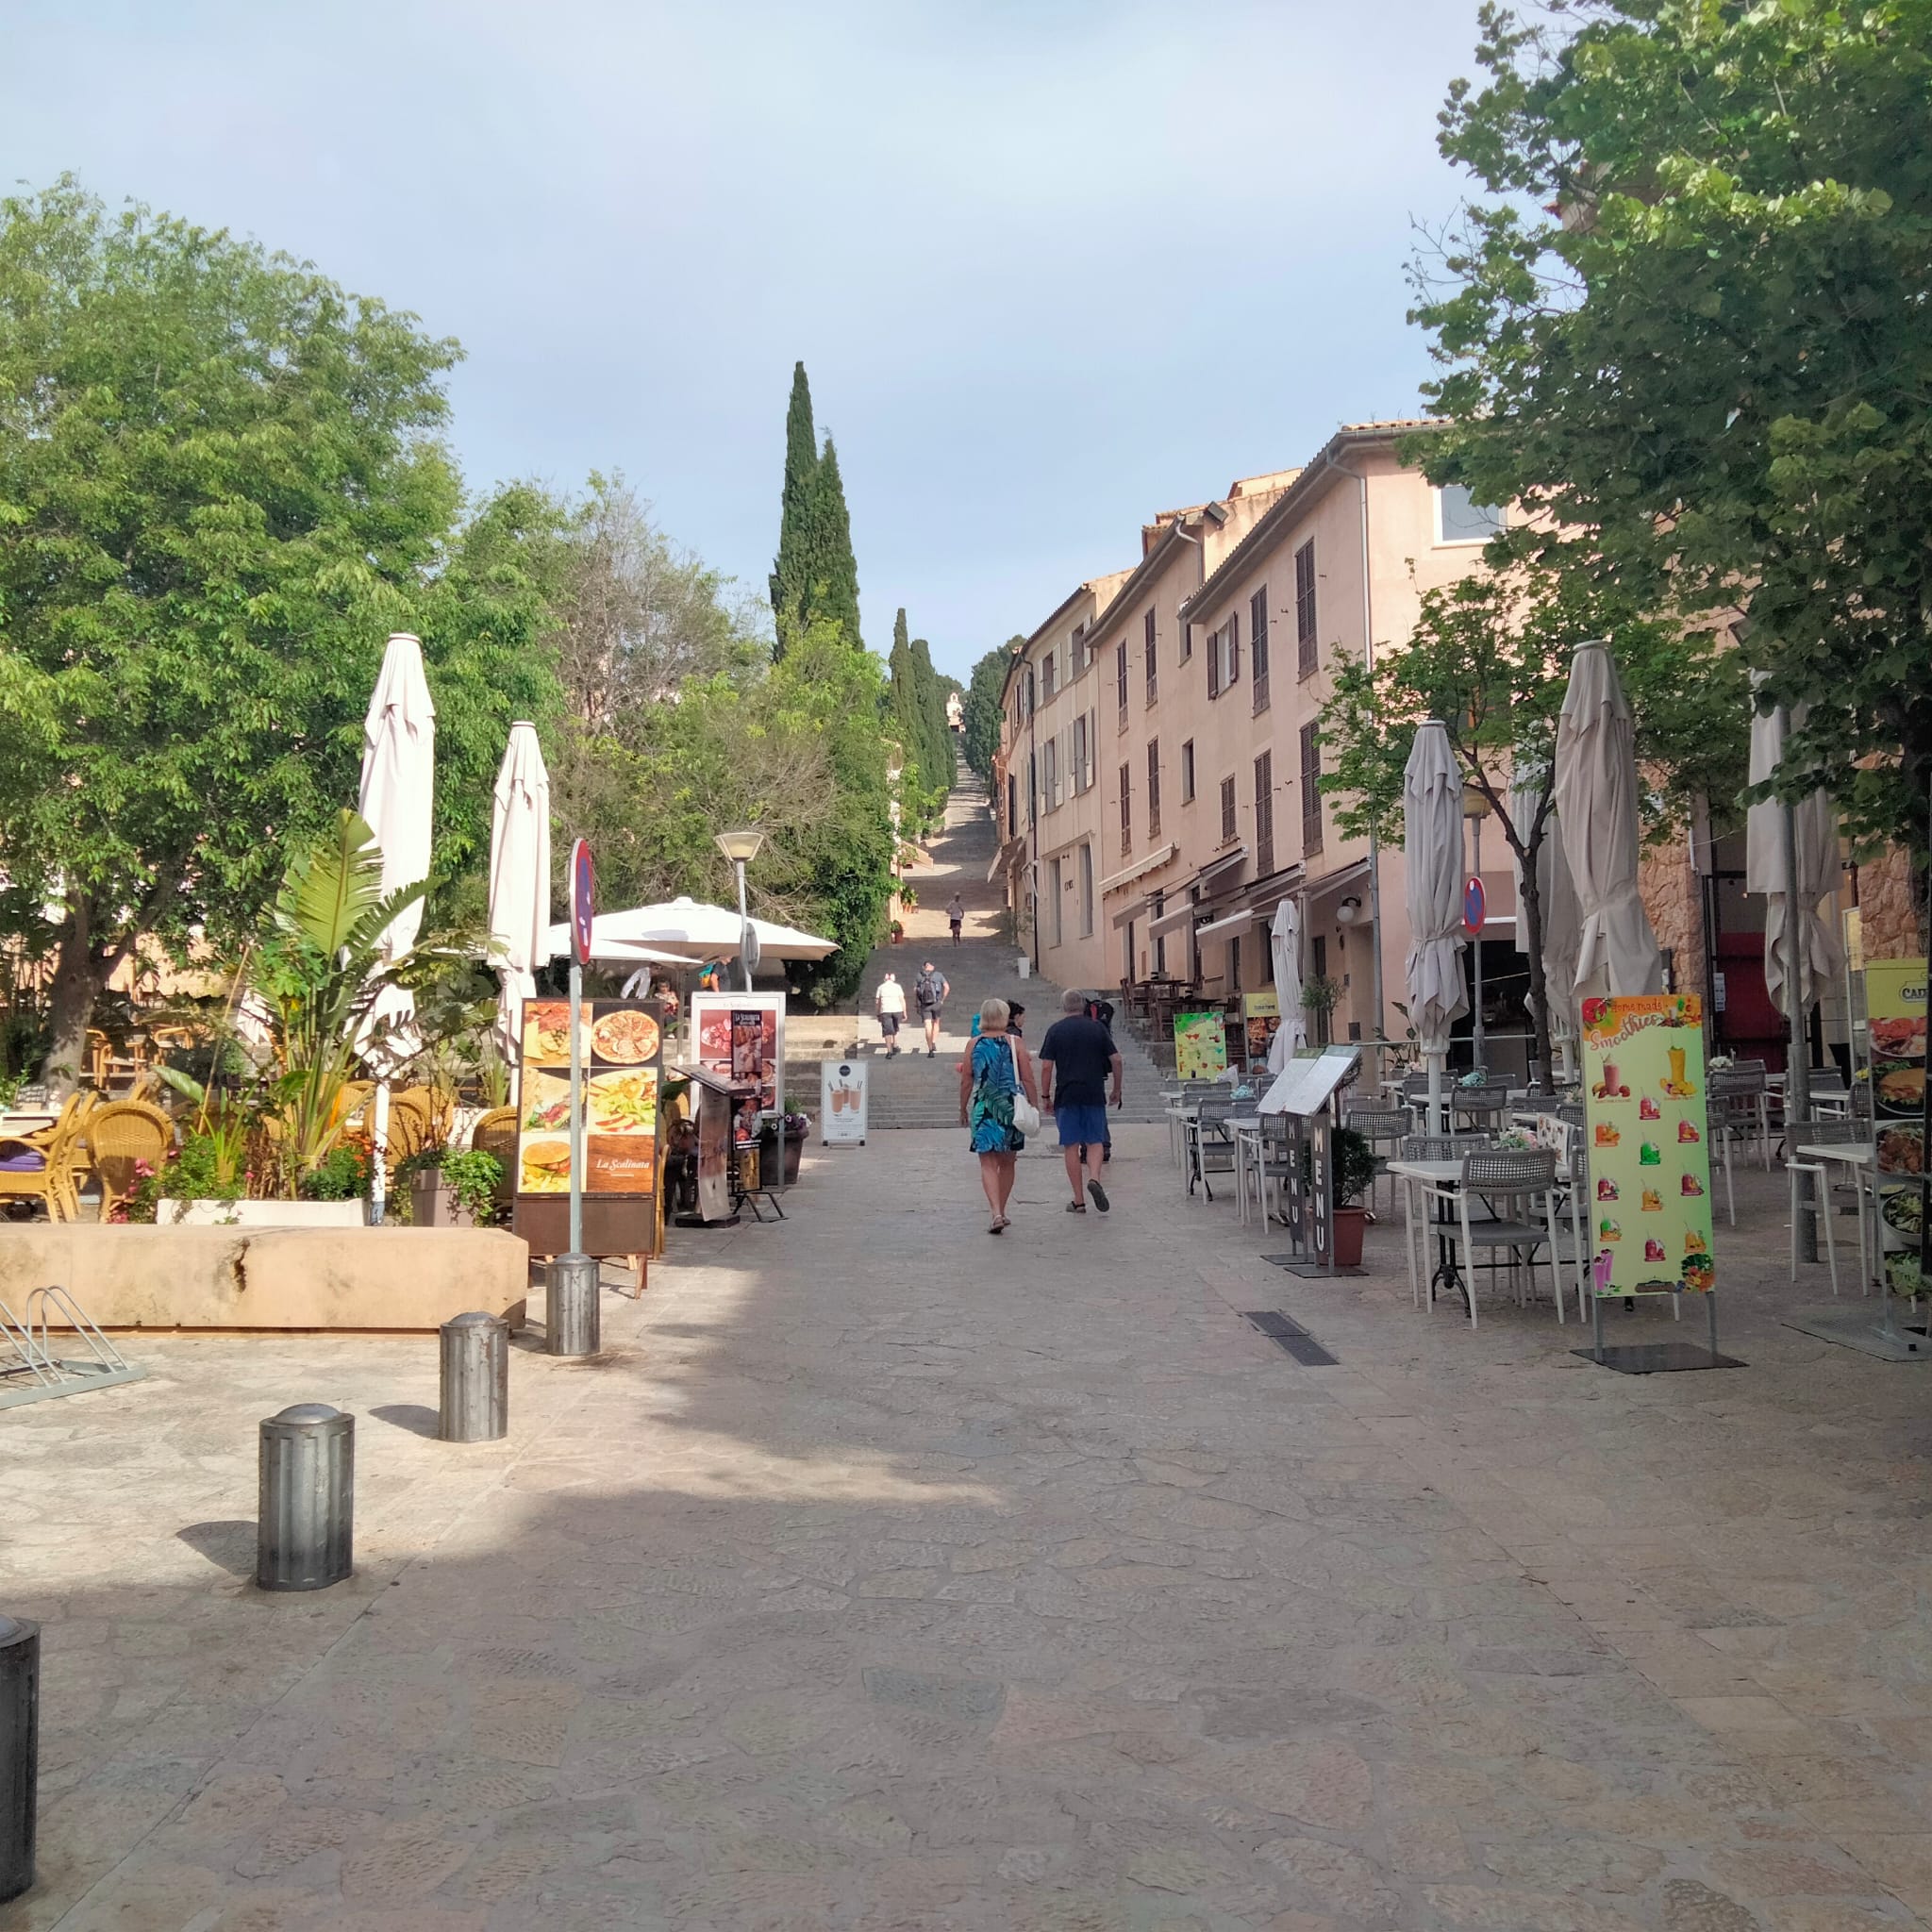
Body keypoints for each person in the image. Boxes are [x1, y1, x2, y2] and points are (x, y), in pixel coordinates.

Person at [1038, 988, 1124, 1214]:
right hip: (1094, 1092)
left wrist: (1045, 1096)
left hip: (1067, 1095)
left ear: (1063, 1007)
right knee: (1095, 1142)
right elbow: (1116, 1059)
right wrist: (1117, 1089)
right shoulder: (1097, 1028)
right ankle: (1094, 1178)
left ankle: (1078, 1200)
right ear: (1084, 1006)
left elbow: (1046, 1066)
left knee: (1071, 1146)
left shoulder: (1055, 1030)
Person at [959, 996, 1039, 1235]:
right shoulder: (1016, 1043)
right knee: (1008, 1162)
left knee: (987, 1162)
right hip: (1010, 1107)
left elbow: (967, 1080)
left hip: (984, 1107)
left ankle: (994, 1212)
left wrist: (962, 1108)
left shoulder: (973, 1044)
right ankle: (1002, 1212)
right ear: (1005, 1017)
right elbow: (1027, 1078)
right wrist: (1035, 1104)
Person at [914, 959, 950, 1057]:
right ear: (930, 966)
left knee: (927, 1026)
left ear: (924, 967)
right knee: (936, 1022)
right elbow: (947, 987)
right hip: (937, 1003)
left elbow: (915, 991)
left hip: (925, 1005)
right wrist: (942, 999)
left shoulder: (919, 975)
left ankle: (930, 1049)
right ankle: (933, 1042)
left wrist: (917, 1003)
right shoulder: (938, 975)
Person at [874, 971, 907, 1055]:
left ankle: (889, 1051)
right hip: (897, 1010)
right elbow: (902, 1000)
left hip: (885, 1011)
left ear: (884, 979)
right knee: (895, 1027)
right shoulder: (898, 987)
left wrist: (878, 1013)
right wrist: (904, 1012)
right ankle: (895, 1045)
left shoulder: (880, 987)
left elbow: (878, 1002)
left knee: (887, 1031)